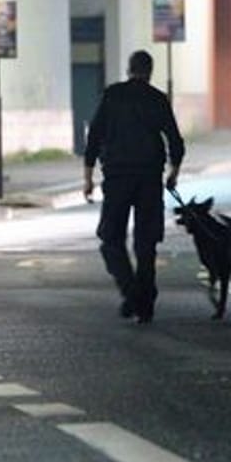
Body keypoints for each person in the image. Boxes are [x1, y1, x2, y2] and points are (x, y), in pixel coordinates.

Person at [83, 50, 185, 324]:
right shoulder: (158, 99)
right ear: (150, 71)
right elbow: (175, 140)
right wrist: (173, 173)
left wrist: (88, 176)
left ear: (129, 69)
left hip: (117, 177)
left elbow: (94, 135)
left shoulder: (112, 95)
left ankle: (131, 292)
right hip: (149, 178)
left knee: (111, 238)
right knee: (146, 242)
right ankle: (145, 302)